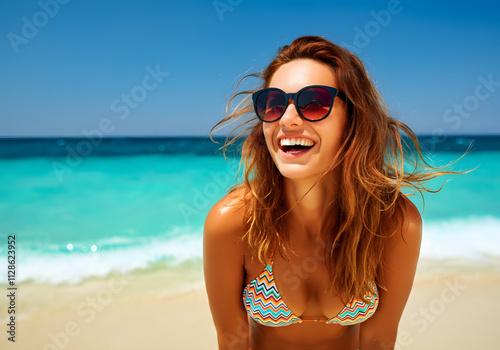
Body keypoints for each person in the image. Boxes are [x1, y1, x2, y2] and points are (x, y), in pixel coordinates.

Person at [204, 35, 459, 350]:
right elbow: (232, 342)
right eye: (273, 104)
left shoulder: (393, 223)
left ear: (353, 118)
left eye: (314, 103)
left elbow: (378, 340)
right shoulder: (234, 222)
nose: (287, 119)